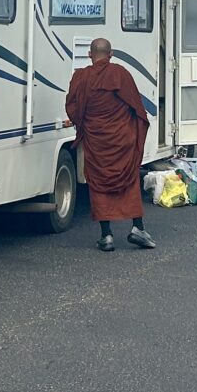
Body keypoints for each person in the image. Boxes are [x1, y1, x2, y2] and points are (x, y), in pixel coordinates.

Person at [65, 38, 156, 252]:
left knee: (98, 184)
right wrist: (134, 130)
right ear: (111, 54)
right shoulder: (120, 74)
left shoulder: (81, 77)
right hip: (121, 141)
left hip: (96, 142)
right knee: (129, 180)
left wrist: (84, 124)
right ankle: (138, 228)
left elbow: (72, 108)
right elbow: (137, 108)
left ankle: (106, 235)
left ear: (89, 55)